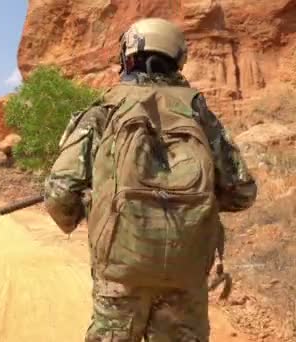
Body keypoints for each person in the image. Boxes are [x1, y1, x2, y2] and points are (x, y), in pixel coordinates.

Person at [43, 18, 257, 342]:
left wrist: (93, 208)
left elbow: (60, 192)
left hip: (120, 274)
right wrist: (196, 208)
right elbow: (242, 191)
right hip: (185, 276)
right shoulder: (197, 111)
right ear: (178, 58)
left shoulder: (105, 109)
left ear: (127, 56)